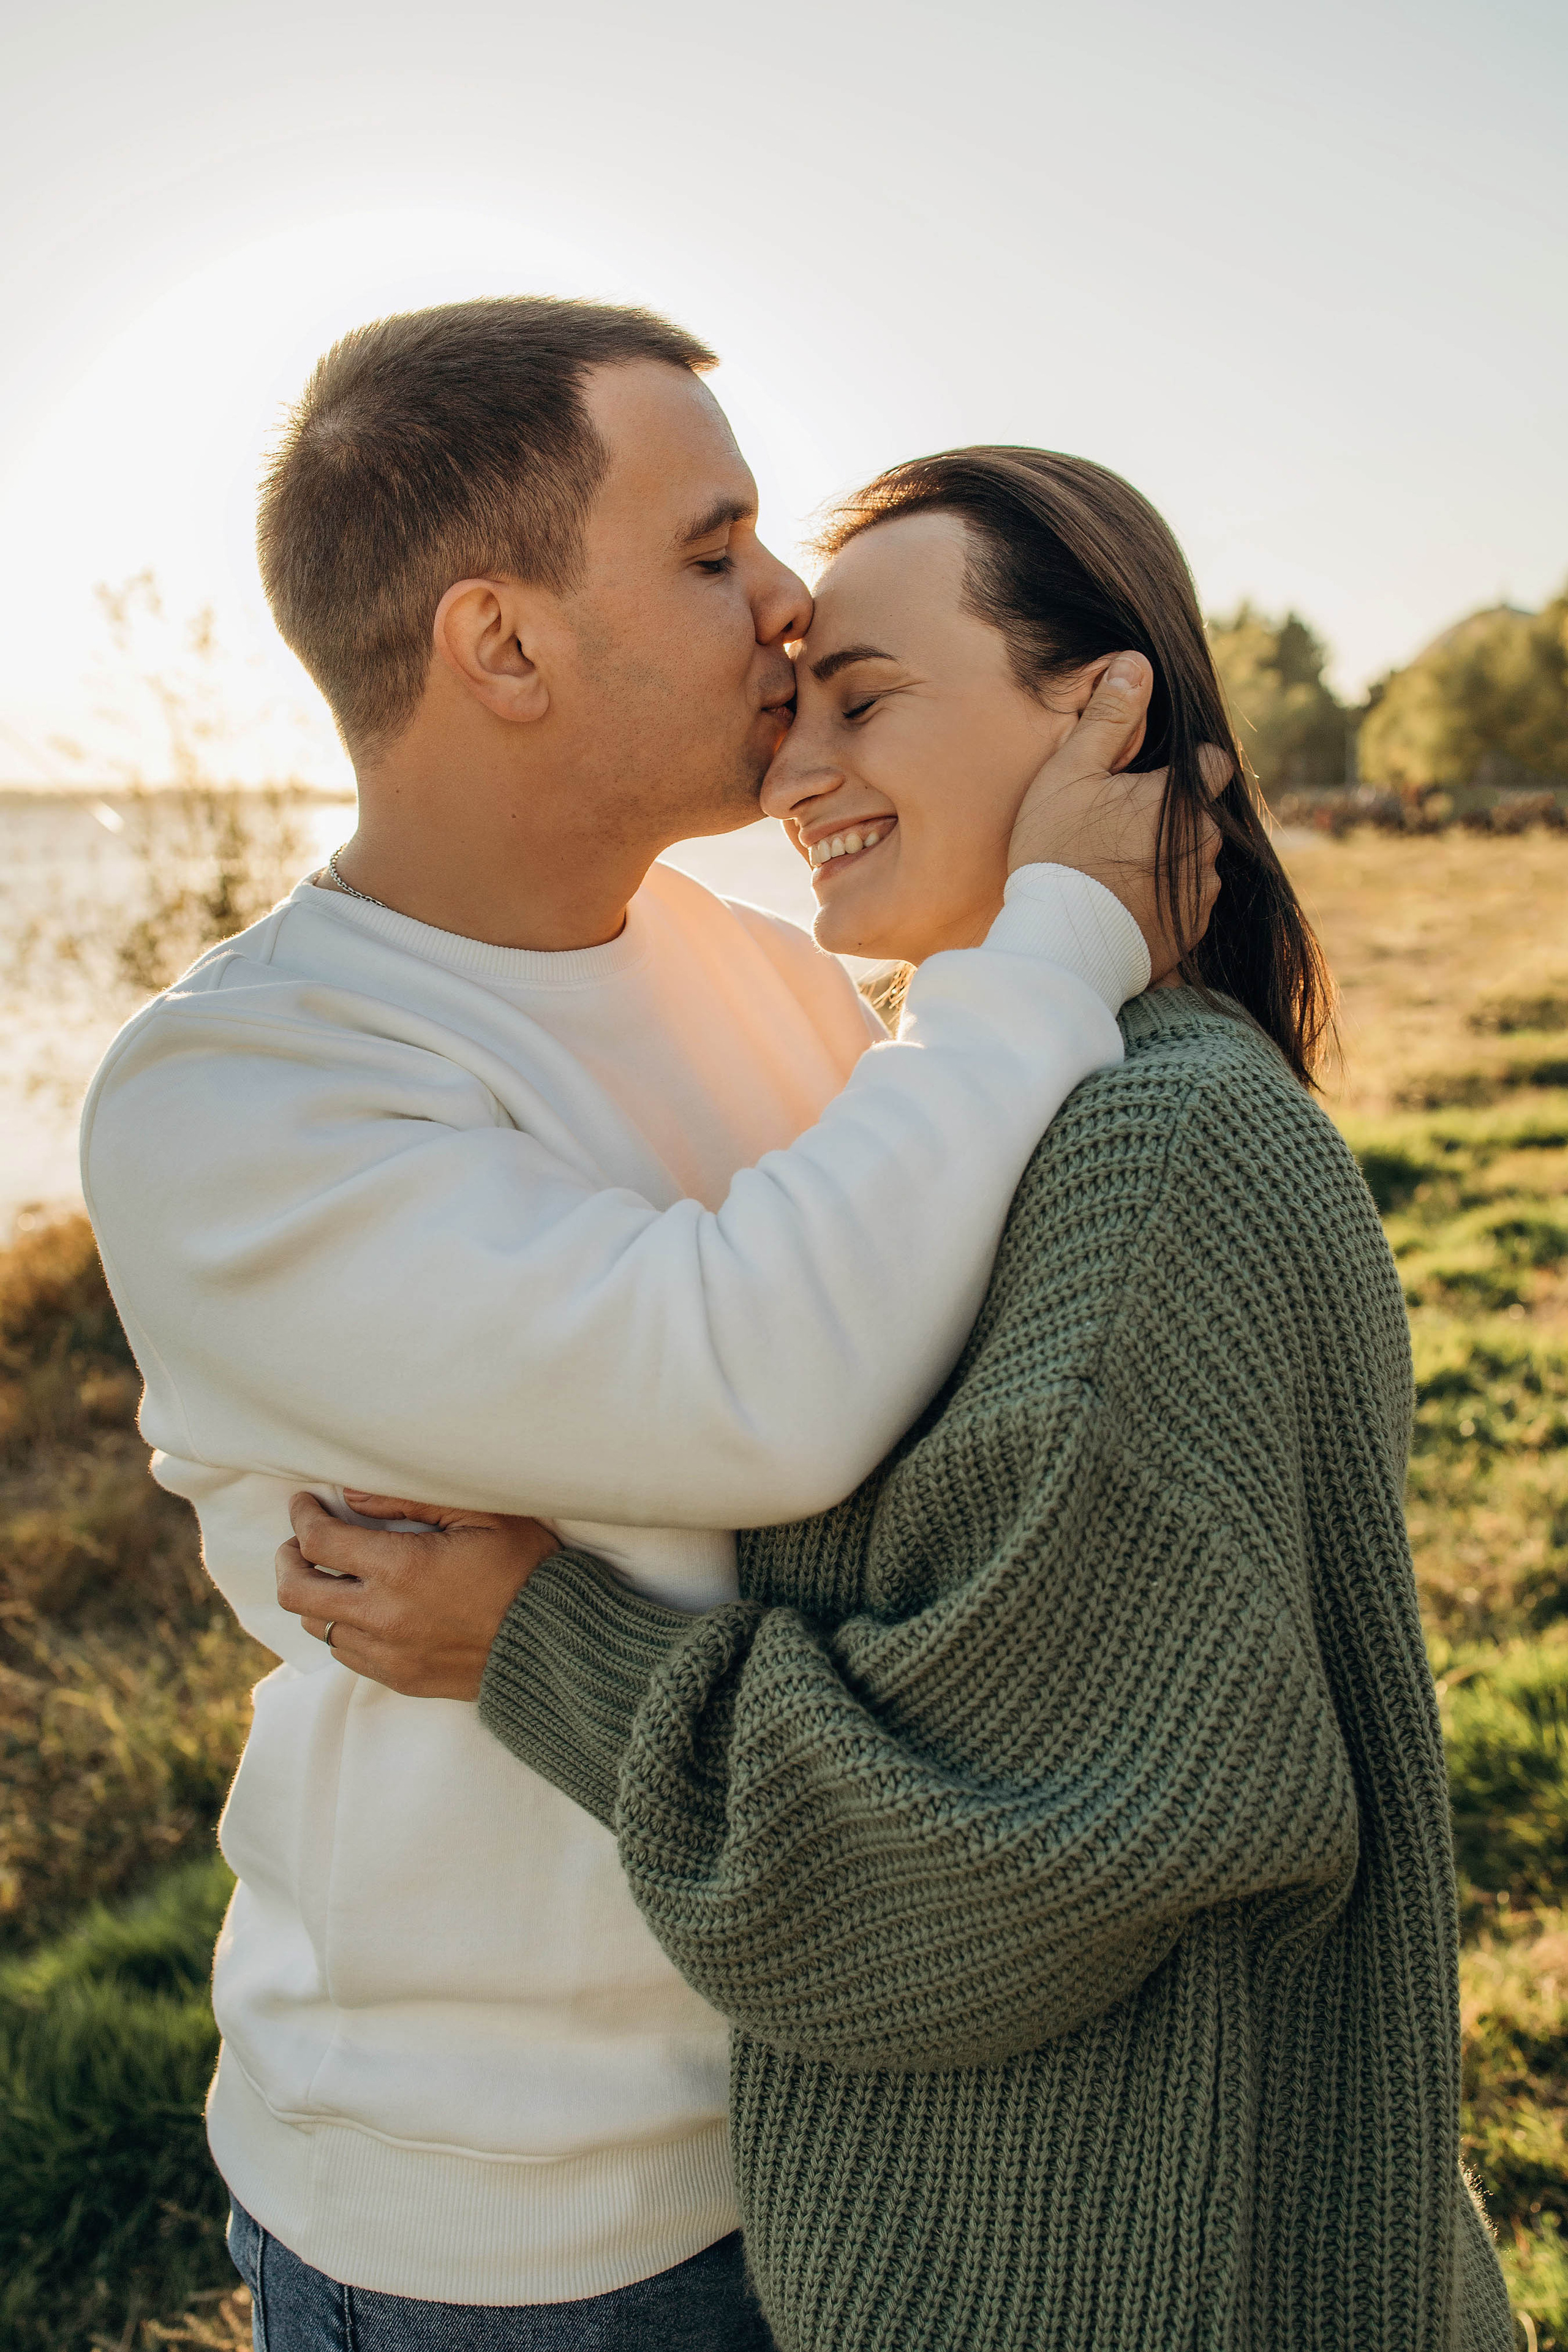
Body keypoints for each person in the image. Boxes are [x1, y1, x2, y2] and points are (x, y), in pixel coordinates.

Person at [281, 450, 1516, 2351]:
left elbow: (991, 1856)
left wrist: (544, 1642)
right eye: (794, 711)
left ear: (1102, 708)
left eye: (865, 701)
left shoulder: (1156, 1153)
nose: (790, 776)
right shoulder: (1020, 1114)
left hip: (1119, 2271)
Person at [80, 301, 1213, 2349]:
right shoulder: (240, 1094)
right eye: (712, 550)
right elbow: (760, 1390)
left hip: (866, 2103)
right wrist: (1056, 935)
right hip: (513, 2224)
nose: (784, 606)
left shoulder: (774, 988)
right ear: (500, 644)